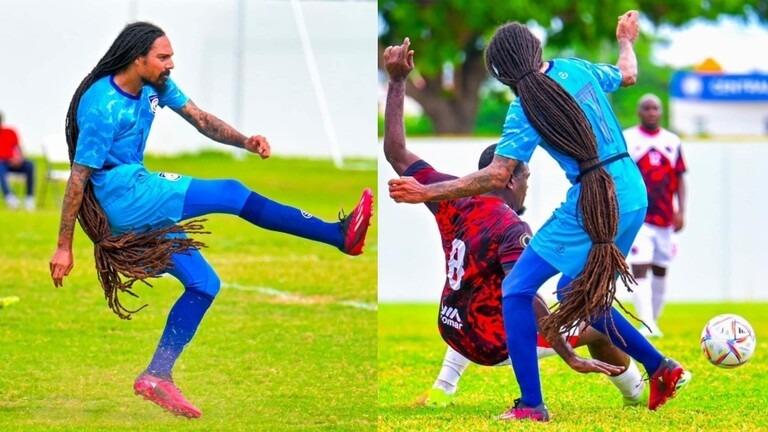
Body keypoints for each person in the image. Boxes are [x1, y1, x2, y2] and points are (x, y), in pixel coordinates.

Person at [48, 22, 373, 419]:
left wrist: (245, 141)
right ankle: (338, 235)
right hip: (124, 196)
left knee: (204, 284)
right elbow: (78, 178)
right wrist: (64, 246)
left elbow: (200, 119)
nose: (171, 64)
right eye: (163, 57)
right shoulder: (101, 105)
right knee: (231, 193)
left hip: (134, 194)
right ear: (137, 59)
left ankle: (157, 374)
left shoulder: (156, 85)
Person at [388, 11, 691, 422]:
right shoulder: (576, 69)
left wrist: (427, 192)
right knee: (577, 292)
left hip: (593, 197)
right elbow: (627, 74)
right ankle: (662, 368)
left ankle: (531, 405)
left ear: (501, 73)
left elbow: (497, 174)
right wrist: (625, 41)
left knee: (516, 289)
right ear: (536, 49)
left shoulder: (524, 107)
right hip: (632, 192)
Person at [624, 94, 687, 338]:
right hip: (639, 217)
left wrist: (681, 210)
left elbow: (680, 178)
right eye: (647, 108)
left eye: (655, 108)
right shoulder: (629, 139)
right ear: (639, 112)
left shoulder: (672, 141)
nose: (651, 112)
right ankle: (647, 323)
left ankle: (653, 322)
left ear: (661, 112)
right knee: (639, 266)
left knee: (661, 270)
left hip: (665, 218)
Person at [0, 112, 36, 210]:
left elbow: (18, 148)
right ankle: (10, 197)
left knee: (30, 165)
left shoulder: (10, 132)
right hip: (2, 163)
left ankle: (29, 198)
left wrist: (19, 158)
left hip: (15, 162)